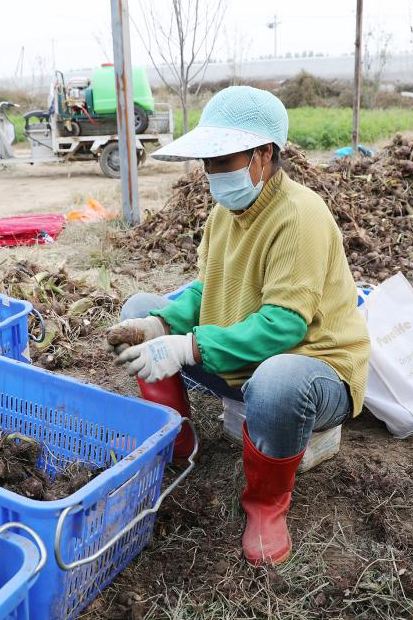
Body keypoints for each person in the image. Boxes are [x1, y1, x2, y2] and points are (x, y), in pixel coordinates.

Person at [105, 86, 370, 566]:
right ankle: (178, 442)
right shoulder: (223, 215)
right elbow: (206, 291)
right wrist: (161, 323)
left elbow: (284, 328)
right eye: (207, 162)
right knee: (139, 308)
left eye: (222, 159)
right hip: (242, 354)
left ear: (263, 155)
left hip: (313, 369)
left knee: (277, 379)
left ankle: (266, 503)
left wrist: (187, 348)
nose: (211, 173)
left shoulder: (300, 215)